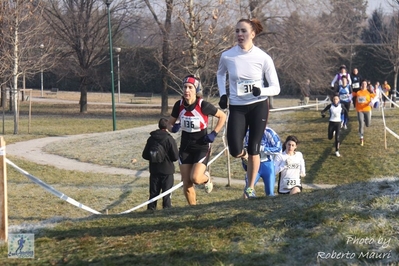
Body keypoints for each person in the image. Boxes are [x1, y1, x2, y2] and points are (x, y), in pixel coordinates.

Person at [216, 18, 280, 198]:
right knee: (235, 149)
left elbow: (276, 87)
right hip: (237, 107)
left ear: (252, 34)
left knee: (254, 148)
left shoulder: (263, 57)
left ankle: (250, 188)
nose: (239, 34)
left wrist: (262, 90)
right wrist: (223, 94)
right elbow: (220, 74)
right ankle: (244, 157)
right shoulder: (227, 56)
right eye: (236, 31)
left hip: (258, 105)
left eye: (243, 31)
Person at [168, 75, 226, 206]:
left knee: (195, 178)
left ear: (196, 90)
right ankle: (193, 209)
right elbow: (168, 124)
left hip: (201, 146)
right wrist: (173, 128)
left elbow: (223, 116)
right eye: (185, 87)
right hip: (185, 147)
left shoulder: (203, 105)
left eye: (190, 87)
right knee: (186, 182)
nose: (186, 90)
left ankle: (207, 179)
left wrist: (214, 133)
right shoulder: (179, 105)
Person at [142, 118, 179, 210]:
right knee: (166, 194)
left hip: (154, 170)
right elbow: (175, 157)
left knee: (153, 194)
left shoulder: (151, 138)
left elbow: (145, 155)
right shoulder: (169, 139)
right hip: (167, 171)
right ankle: (166, 211)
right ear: (167, 127)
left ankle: (150, 211)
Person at [242, 127, 282, 198]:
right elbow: (243, 149)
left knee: (270, 193)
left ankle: (269, 204)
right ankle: (249, 202)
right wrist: (244, 162)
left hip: (267, 165)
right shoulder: (247, 132)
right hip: (253, 164)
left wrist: (263, 148)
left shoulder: (269, 132)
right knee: (248, 189)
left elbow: (279, 149)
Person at [352, 80, 377, 146]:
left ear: (367, 85)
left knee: (368, 124)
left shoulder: (369, 91)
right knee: (361, 122)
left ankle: (366, 122)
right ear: (361, 85)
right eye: (363, 83)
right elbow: (351, 95)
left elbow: (375, 97)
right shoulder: (358, 91)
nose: (364, 85)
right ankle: (361, 138)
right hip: (359, 110)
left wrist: (372, 102)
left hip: (367, 109)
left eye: (365, 83)